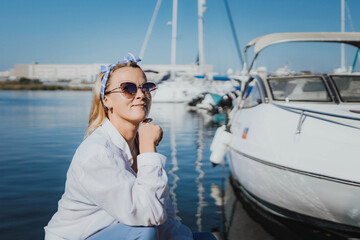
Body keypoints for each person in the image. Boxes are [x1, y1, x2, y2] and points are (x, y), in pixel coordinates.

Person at [44, 53, 194, 240]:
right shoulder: (97, 152)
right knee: (145, 232)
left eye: (146, 87)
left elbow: (164, 214)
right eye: (128, 88)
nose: (141, 94)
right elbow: (148, 215)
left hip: (120, 231)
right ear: (106, 100)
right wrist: (148, 147)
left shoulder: (138, 147)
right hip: (81, 237)